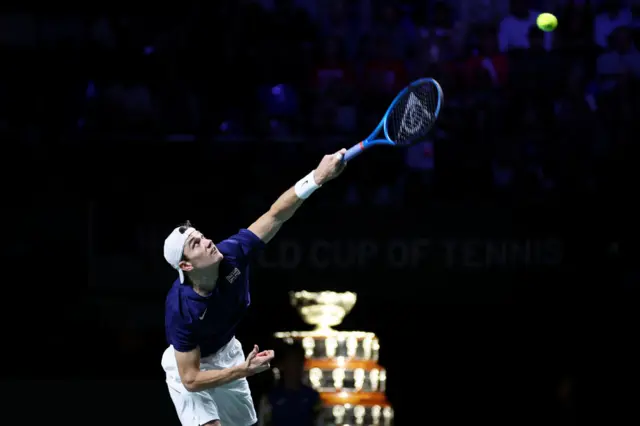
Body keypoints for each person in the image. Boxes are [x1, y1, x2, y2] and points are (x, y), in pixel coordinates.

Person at [161, 149, 348, 426]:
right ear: (186, 266)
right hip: (189, 364)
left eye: (201, 236)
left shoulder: (232, 253)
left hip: (227, 352)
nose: (208, 241)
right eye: (196, 244)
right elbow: (190, 379)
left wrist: (317, 178)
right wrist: (243, 370)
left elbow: (275, 215)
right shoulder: (181, 308)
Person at [258, 343, 323, 426]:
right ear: (282, 365)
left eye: (299, 361)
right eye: (292, 361)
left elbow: (320, 422)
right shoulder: (269, 399)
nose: (296, 366)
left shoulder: (313, 397)